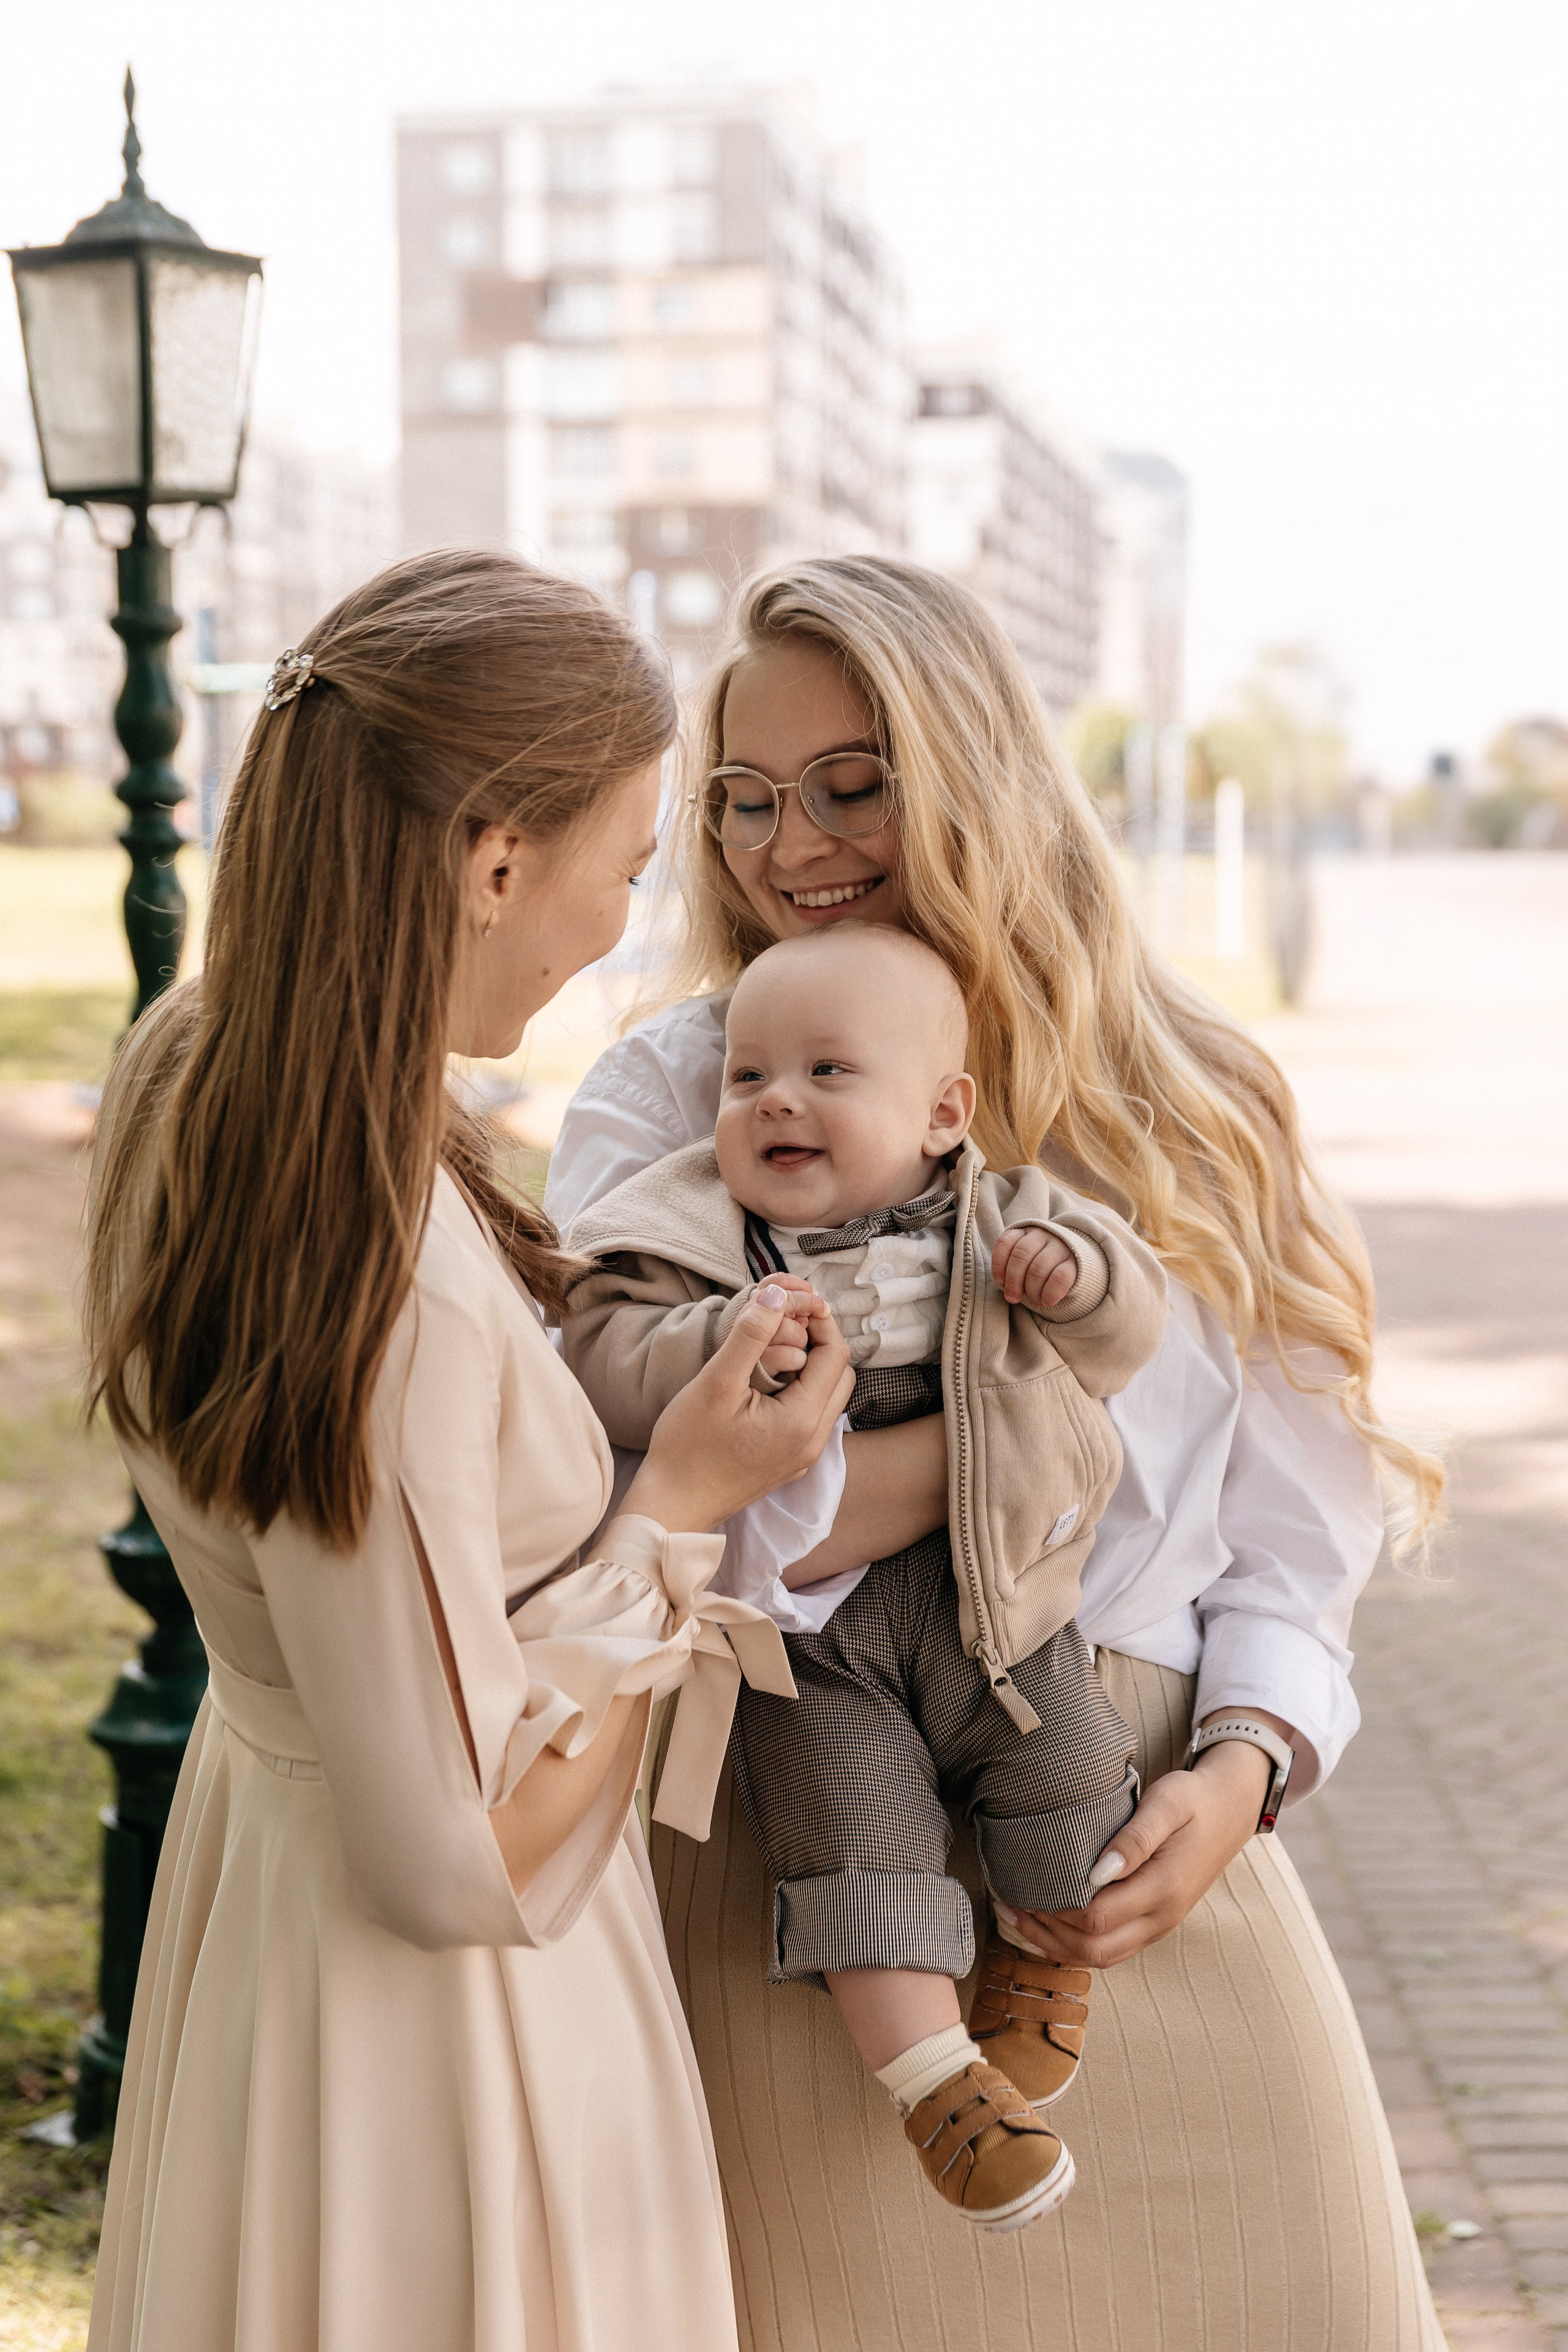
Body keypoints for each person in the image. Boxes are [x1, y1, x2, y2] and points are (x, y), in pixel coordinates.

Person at [545, 556, 1449, 2350]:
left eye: (851, 782)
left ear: (973, 772)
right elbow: (660, 1507)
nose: (790, 843)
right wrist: (1021, 1454)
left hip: (1138, 1859)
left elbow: (1300, 1530)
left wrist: (1254, 1766)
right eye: (743, 799)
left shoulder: (1192, 1097)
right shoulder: (680, 1096)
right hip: (806, 1884)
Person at [81, 550, 853, 2352]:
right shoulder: (376, 1256)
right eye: (631, 863)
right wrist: (682, 1508)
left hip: (269, 1915)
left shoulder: (189, 1073)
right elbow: (470, 1850)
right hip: (445, 2032)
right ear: (496, 857)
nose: (621, 921)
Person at [561, 922, 1169, 2232]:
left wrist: (1073, 1283)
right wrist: (706, 1340)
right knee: (847, 1841)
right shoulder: (692, 1233)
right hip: (803, 1642)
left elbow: (1131, 1330)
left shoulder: (1002, 1216)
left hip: (988, 1607)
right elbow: (597, 1356)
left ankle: (1037, 1955)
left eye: (829, 1072)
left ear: (942, 1113)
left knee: (1067, 1766)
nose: (775, 1098)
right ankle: (933, 2087)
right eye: (746, 1078)